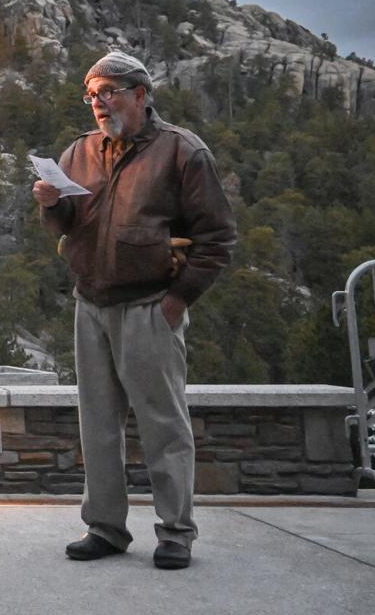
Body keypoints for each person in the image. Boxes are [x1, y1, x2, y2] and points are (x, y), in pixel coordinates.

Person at [32, 50, 235, 570]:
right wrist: (54, 205)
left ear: (141, 95)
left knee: (163, 425)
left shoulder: (182, 152)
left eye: (109, 92)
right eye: (92, 95)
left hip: (150, 307)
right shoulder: (79, 151)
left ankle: (175, 531)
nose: (98, 103)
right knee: (97, 424)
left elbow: (217, 239)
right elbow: (68, 225)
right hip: (91, 303)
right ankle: (104, 527)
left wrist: (175, 301)